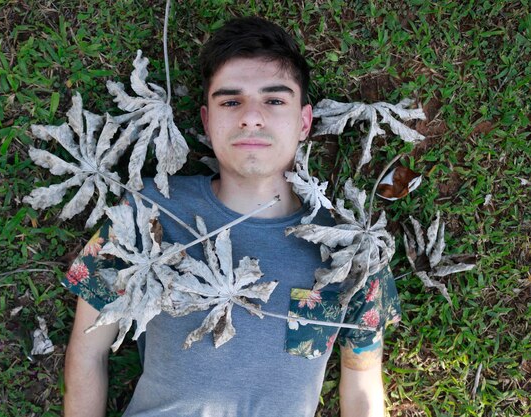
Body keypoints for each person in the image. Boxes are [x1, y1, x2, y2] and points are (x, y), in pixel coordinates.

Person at [62, 16, 400, 417]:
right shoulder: (145, 209)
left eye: (274, 100)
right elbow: (87, 350)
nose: (251, 117)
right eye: (230, 101)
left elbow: (361, 378)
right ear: (207, 120)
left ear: (304, 122)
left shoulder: (353, 251)